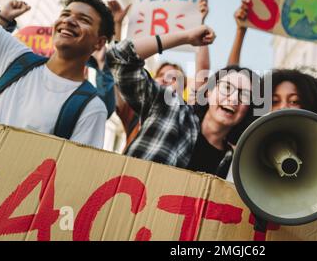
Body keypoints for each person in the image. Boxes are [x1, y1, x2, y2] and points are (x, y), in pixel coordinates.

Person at [107, 24, 260, 178]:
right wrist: (185, 37)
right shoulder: (169, 107)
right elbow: (119, 56)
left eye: (244, 95)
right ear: (207, 92)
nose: (233, 98)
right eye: (227, 88)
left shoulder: (234, 164)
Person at [0, 0, 112, 148]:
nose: (68, 21)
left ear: (99, 42)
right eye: (65, 14)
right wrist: (3, 18)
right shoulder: (16, 58)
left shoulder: (92, 109)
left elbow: (75, 168)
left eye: (83, 20)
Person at [110, 0, 212, 151]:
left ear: (184, 89)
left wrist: (200, 25)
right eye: (162, 74)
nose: (166, 79)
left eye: (173, 78)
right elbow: (118, 68)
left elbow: (202, 72)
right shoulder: (135, 111)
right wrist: (117, 24)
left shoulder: (187, 114)